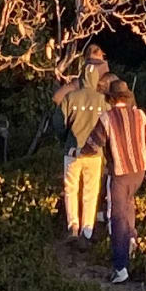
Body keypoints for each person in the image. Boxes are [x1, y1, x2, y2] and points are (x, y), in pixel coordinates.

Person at [84, 79, 146, 284]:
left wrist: (81, 153)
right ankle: (132, 243)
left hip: (119, 175)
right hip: (138, 173)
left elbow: (94, 143)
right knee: (129, 207)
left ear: (111, 99)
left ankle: (120, 267)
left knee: (117, 217)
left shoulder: (106, 118)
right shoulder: (140, 115)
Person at [53, 44, 112, 245]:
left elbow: (58, 124)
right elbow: (108, 127)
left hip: (72, 151)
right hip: (94, 155)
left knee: (70, 189)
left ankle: (73, 227)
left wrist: (65, 140)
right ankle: (88, 231)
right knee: (90, 191)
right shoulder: (103, 100)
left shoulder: (70, 97)